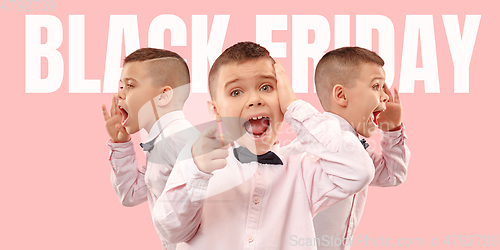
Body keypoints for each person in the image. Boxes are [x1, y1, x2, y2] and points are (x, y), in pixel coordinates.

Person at [152, 42, 375, 249]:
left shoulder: (305, 171)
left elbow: (359, 170)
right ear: (216, 110)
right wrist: (196, 172)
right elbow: (170, 230)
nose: (255, 100)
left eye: (267, 88)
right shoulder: (194, 163)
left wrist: (295, 107)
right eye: (236, 92)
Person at [312, 46, 410, 249]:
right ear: (341, 95)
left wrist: (393, 130)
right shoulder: (314, 146)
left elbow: (393, 175)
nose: (384, 96)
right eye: (376, 86)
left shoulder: (357, 147)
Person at [102, 48, 199, 249]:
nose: (120, 94)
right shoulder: (160, 143)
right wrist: (121, 145)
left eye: (130, 85)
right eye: (121, 86)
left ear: (163, 96)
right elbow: (130, 194)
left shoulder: (179, 141)